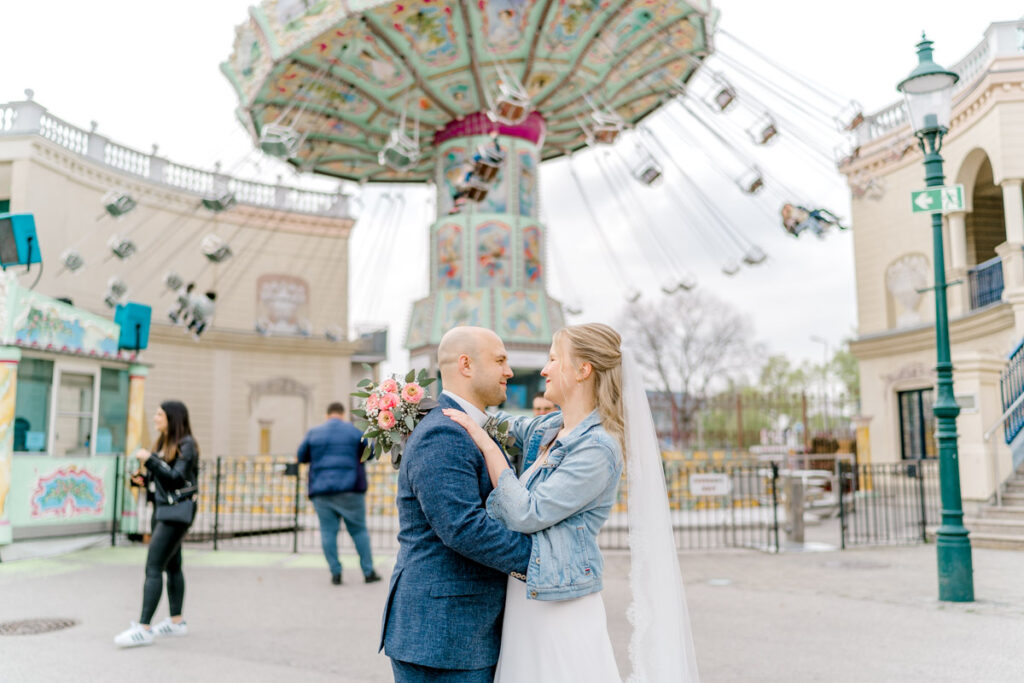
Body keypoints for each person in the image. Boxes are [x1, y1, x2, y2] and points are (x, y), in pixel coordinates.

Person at [443, 323, 699, 682]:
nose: (544, 370)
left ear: (583, 370)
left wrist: (487, 446)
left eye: (552, 359)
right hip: (530, 594)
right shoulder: (548, 427)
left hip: (561, 605)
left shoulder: (598, 448)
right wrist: (410, 405)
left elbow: (526, 512)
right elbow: (492, 419)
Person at [380, 326, 532, 682]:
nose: (508, 371)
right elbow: (463, 527)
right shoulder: (443, 432)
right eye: (499, 360)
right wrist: (540, 556)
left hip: (458, 632)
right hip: (443, 638)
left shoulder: (467, 426)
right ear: (466, 364)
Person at [114, 401, 199, 648]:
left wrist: (150, 460)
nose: (155, 418)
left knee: (153, 566)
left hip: (175, 515)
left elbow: (176, 479)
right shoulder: (164, 443)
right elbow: (161, 478)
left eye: (160, 414)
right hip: (163, 510)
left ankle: (144, 627)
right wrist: (143, 479)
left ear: (172, 418)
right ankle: (176, 622)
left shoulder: (187, 444)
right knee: (173, 566)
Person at [297, 402, 380, 586]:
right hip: (351, 489)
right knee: (358, 531)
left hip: (321, 490)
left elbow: (301, 457)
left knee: (328, 532)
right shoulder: (354, 431)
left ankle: (336, 573)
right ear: (342, 414)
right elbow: (371, 453)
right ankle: (368, 572)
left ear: (328, 415)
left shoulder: (314, 432)